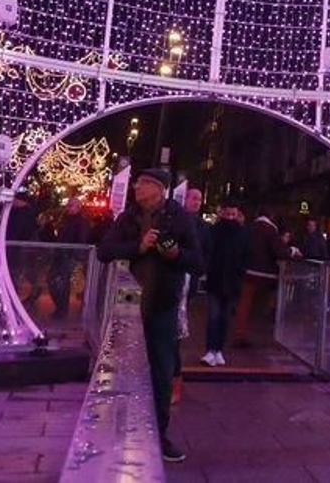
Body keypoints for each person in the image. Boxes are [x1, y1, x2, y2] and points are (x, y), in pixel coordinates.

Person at [97, 169, 201, 464]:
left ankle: (158, 433)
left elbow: (197, 262)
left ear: (158, 189)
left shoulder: (179, 217)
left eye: (142, 183)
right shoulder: (127, 218)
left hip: (163, 302)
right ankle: (119, 427)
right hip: (129, 298)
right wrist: (138, 247)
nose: (135, 187)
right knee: (122, 365)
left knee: (161, 369)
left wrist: (175, 254)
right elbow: (104, 251)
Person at [201, 198, 248, 366]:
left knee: (224, 318)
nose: (230, 217)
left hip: (229, 281)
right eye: (228, 214)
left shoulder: (240, 233)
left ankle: (217, 350)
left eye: (232, 214)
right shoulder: (215, 231)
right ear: (223, 213)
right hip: (218, 280)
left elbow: (245, 256)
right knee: (215, 317)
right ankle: (211, 350)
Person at [234, 206, 292, 344]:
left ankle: (239, 334)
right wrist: (291, 251)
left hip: (247, 272)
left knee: (244, 304)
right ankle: (260, 335)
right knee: (262, 306)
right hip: (265, 275)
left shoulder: (249, 228)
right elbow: (278, 252)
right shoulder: (271, 230)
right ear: (271, 216)